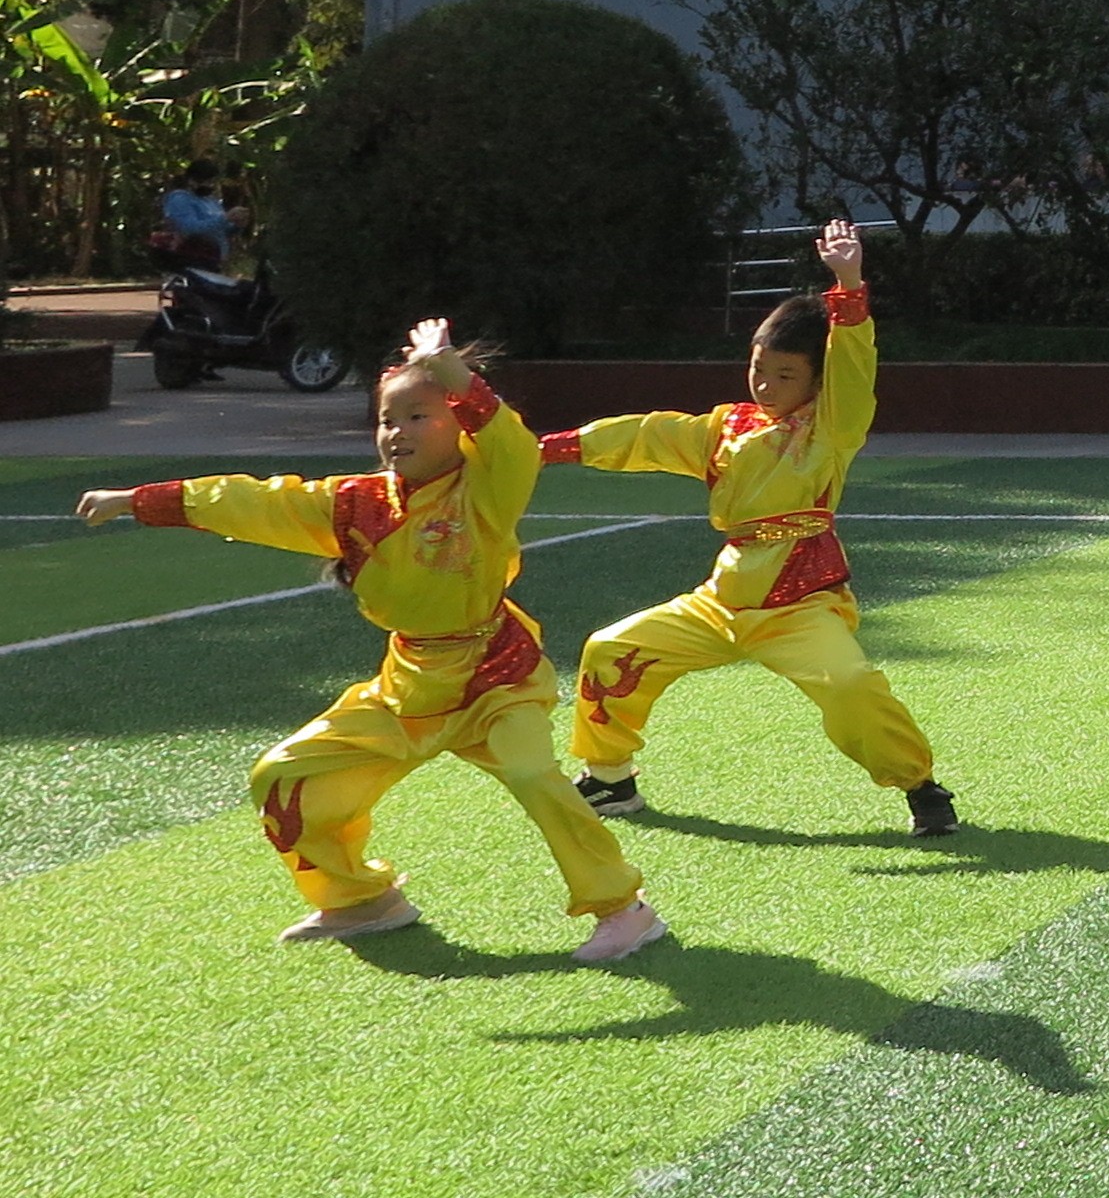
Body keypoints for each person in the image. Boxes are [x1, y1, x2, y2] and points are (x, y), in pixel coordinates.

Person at [75, 322, 659, 961]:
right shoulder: (354, 503)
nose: (396, 431)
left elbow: (511, 441)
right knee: (284, 777)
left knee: (530, 771)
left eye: (418, 416)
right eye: (387, 419)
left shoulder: (487, 489)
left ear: (461, 427)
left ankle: (622, 910)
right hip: (407, 684)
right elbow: (254, 502)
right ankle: (360, 900)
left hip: (497, 679)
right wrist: (138, 500)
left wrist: (449, 369)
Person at [549, 220, 954, 836]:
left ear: (818, 383)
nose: (765, 385)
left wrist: (847, 283)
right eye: (758, 369)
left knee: (850, 684)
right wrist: (549, 449)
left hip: (799, 606)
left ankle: (921, 788)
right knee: (611, 649)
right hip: (724, 600)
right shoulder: (723, 429)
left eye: (784, 376)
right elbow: (645, 435)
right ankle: (610, 779)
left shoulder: (831, 429)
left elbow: (855, 366)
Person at [158, 158, 234, 268]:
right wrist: (225, 218)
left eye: (212, 182)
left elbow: (222, 229)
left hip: (214, 260)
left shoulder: (211, 201)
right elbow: (188, 228)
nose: (210, 186)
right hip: (192, 259)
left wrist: (235, 224)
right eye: (206, 182)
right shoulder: (180, 199)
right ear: (191, 180)